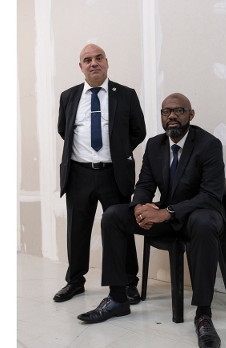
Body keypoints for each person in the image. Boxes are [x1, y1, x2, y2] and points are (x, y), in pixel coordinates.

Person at [77, 93, 226, 348]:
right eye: (166, 111)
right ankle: (117, 298)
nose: (172, 116)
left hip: (198, 214)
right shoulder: (155, 145)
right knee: (114, 215)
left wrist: (167, 211)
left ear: (191, 115)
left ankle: (203, 314)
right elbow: (145, 184)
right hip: (165, 215)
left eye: (179, 111)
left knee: (203, 223)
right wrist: (139, 207)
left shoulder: (209, 144)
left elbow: (210, 195)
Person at [53, 44, 146, 304]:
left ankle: (128, 282)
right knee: (77, 230)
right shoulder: (68, 96)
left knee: (120, 227)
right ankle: (75, 282)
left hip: (113, 173)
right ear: (80, 66)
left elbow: (138, 131)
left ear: (106, 62)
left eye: (98, 58)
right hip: (79, 173)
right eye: (87, 60)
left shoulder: (125, 95)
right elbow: (64, 130)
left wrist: (116, 151)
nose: (93, 63)